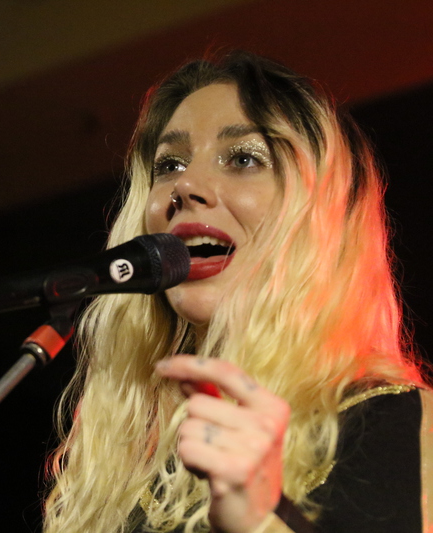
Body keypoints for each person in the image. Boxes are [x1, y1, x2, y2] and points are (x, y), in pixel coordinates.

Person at [41, 51, 431, 533]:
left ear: (320, 215)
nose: (186, 185)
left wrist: (259, 523)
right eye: (169, 165)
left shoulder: (388, 421)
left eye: (244, 158)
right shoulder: (124, 467)